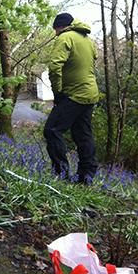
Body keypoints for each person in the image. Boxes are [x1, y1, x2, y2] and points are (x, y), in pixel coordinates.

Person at [43, 13, 99, 184]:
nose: (55, 34)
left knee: (52, 130)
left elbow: (54, 66)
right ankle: (86, 176)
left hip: (74, 94)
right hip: (90, 93)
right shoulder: (88, 40)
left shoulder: (66, 37)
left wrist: (57, 92)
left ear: (61, 26)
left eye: (55, 30)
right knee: (83, 135)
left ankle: (61, 175)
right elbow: (91, 62)